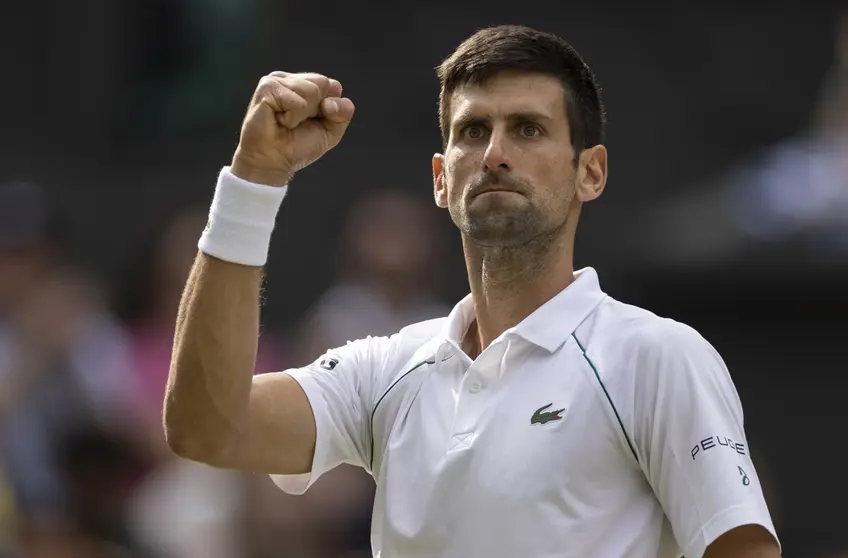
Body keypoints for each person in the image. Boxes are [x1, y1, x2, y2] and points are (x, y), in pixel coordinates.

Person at [163, 25, 781, 558]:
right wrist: (254, 179)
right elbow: (206, 427)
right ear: (440, 178)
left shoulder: (658, 356)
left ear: (590, 172)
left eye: (530, 130)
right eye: (473, 131)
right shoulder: (388, 370)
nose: (495, 154)